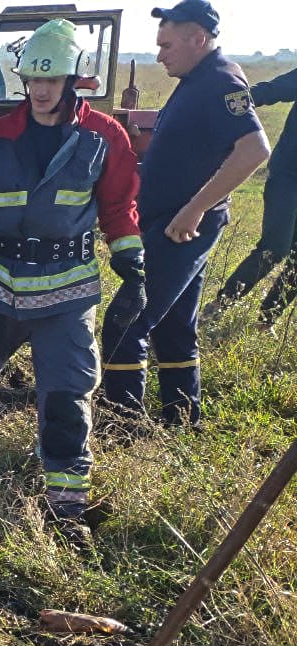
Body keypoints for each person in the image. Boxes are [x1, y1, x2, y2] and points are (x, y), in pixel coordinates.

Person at [0, 19, 143, 534]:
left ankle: (66, 507)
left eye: (51, 80)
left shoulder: (105, 136)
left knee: (68, 395)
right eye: (33, 80)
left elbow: (120, 207)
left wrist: (131, 264)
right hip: (1, 283)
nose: (41, 90)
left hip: (69, 291)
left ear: (75, 79)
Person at [100, 0, 270, 425]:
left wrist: (195, 210)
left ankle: (122, 426)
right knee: (173, 327)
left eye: (167, 44)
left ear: (199, 39)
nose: (160, 55)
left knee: (127, 320)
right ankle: (181, 420)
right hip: (171, 223)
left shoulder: (219, 80)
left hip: (180, 228)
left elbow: (254, 149)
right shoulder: (196, 79)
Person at [203, 65, 297, 327]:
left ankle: (267, 320)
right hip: (289, 176)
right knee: (275, 248)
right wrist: (230, 101)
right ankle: (218, 308)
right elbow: (272, 90)